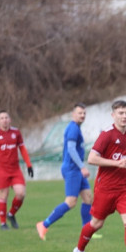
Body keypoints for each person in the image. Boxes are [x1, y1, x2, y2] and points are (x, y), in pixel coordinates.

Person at [72, 100, 126, 252]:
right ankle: (79, 251)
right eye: (120, 113)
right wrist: (116, 163)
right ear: (113, 115)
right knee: (96, 224)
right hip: (105, 189)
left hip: (124, 188)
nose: (124, 116)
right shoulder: (106, 135)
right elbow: (91, 158)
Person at [37, 103, 93, 240]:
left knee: (88, 197)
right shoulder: (73, 128)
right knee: (71, 201)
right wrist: (82, 167)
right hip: (73, 169)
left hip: (76, 169)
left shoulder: (76, 128)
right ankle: (44, 225)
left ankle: (86, 231)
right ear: (73, 114)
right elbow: (71, 149)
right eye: (80, 113)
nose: (82, 115)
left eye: (84, 113)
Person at [0, 111, 33, 229]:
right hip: (2, 170)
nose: (4, 120)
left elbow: (23, 149)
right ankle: (3, 223)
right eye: (2, 118)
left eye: (6, 117)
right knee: (3, 195)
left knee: (21, 193)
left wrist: (29, 165)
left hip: (15, 169)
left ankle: (11, 214)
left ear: (10, 120)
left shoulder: (16, 133)